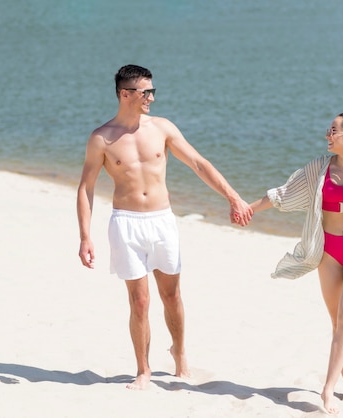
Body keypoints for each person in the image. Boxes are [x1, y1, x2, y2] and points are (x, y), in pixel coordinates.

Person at [76, 64, 253, 390]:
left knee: (171, 295)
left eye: (153, 91)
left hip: (162, 221)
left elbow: (199, 163)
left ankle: (180, 353)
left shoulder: (162, 128)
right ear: (125, 94)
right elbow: (86, 188)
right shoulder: (102, 138)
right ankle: (143, 369)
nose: (152, 99)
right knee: (139, 301)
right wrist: (85, 236)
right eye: (147, 92)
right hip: (126, 223)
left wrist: (234, 197)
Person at [249, 111, 343, 414]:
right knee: (338, 321)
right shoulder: (319, 168)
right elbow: (284, 194)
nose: (327, 135)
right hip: (329, 252)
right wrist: (249, 209)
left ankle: (328, 389)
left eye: (333, 131)